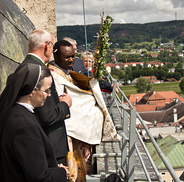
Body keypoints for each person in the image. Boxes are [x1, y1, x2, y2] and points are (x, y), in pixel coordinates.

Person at [48, 40, 120, 182]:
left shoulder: (64, 71)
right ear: (56, 57)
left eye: (73, 57)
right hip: (67, 133)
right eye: (67, 57)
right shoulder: (54, 74)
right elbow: (70, 97)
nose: (71, 60)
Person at [0, 64, 69, 181]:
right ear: (32, 90)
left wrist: (53, 168)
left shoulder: (16, 113)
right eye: (46, 90)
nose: (49, 95)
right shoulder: (24, 125)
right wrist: (61, 172)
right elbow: (40, 177)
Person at [14, 29, 72, 165]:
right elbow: (47, 116)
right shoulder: (39, 71)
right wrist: (65, 104)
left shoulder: (25, 66)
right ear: (47, 45)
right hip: (51, 146)